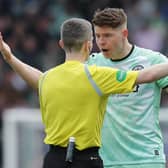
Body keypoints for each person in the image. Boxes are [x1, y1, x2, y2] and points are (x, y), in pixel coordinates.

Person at [1, 18, 168, 168]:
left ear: (61, 44)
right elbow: (147, 75)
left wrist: (10, 58)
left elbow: (38, 79)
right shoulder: (97, 75)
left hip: (53, 159)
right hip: (87, 159)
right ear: (89, 45)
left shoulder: (49, 78)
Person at [86, 8, 168, 168]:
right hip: (105, 160)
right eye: (98, 36)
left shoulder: (153, 60)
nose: (101, 41)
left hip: (146, 158)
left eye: (108, 35)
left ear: (124, 34)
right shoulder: (92, 64)